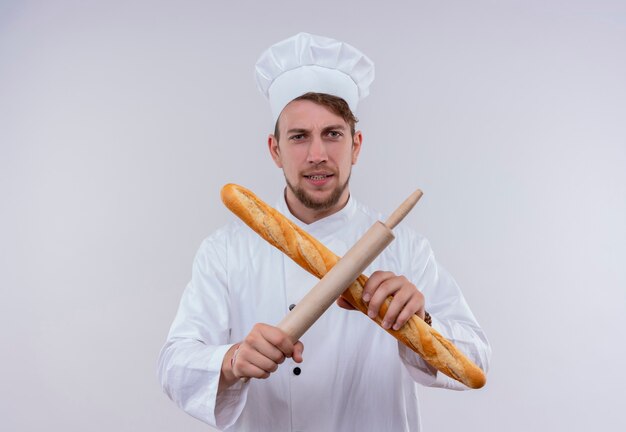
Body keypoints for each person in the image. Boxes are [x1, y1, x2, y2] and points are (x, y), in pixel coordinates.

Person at [158, 33, 491, 432]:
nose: (317, 154)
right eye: (299, 137)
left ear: (356, 145)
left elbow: (476, 362)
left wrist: (421, 323)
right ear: (275, 149)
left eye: (333, 134)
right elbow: (174, 364)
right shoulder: (225, 250)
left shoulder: (407, 251)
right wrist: (231, 361)